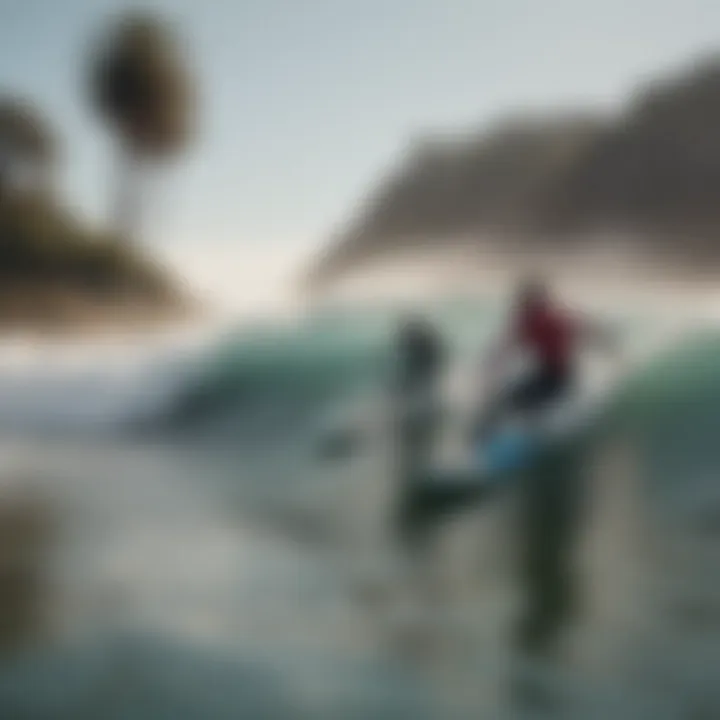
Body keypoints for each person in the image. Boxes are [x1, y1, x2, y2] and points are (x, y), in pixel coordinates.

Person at [474, 276, 614, 441]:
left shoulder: (548, 318)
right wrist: (490, 365)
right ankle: (488, 441)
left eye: (526, 300)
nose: (521, 304)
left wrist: (605, 343)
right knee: (509, 402)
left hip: (558, 377)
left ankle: (504, 441)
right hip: (546, 374)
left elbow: (584, 328)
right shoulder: (529, 319)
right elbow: (507, 344)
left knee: (517, 405)